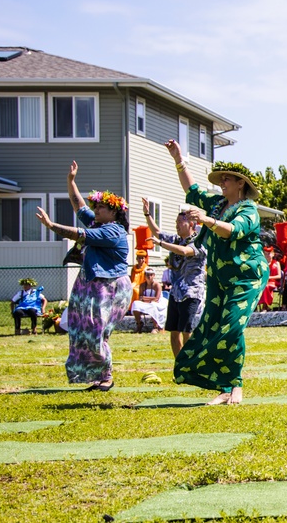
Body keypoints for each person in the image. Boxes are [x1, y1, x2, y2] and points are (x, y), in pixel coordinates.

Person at [165, 142, 268, 405]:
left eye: (227, 179)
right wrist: (179, 161)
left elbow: (232, 231)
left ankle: (236, 386)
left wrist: (206, 220)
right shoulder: (216, 204)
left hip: (247, 277)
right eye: (221, 178)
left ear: (240, 184)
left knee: (232, 327)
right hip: (219, 278)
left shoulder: (248, 209)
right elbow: (192, 189)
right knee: (212, 327)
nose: (222, 182)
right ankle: (225, 387)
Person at [35, 161, 131, 391]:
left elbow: (77, 233)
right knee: (81, 329)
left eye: (101, 208)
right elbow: (79, 206)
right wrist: (71, 181)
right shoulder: (99, 223)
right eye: (96, 207)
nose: (96, 210)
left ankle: (106, 377)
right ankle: (96, 377)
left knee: (96, 331)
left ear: (114, 212)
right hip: (90, 283)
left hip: (110, 287)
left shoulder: (112, 230)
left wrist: (50, 225)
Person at [144, 201, 207, 357]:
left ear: (192, 224)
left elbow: (185, 251)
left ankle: (191, 364)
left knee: (187, 331)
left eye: (180, 222)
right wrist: (147, 214)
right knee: (173, 332)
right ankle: (180, 364)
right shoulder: (175, 239)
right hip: (176, 293)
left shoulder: (199, 242)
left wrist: (161, 244)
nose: (177, 225)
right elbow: (157, 231)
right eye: (176, 222)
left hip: (191, 293)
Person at [130, 268, 167, 333]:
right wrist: (147, 299)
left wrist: (145, 298)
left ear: (154, 275)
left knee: (153, 305)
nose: (149, 277)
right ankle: (139, 324)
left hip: (158, 303)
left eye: (151, 275)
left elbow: (157, 299)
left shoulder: (157, 285)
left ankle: (156, 327)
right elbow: (140, 298)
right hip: (147, 303)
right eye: (147, 275)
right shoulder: (142, 285)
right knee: (135, 303)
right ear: (145, 275)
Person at [258, 247, 283, 311]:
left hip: (273, 282)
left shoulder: (276, 263)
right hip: (263, 281)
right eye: (265, 254)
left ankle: (264, 306)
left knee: (266, 286)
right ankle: (258, 307)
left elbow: (279, 276)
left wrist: (269, 277)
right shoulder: (262, 263)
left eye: (269, 254)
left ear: (273, 254)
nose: (267, 255)